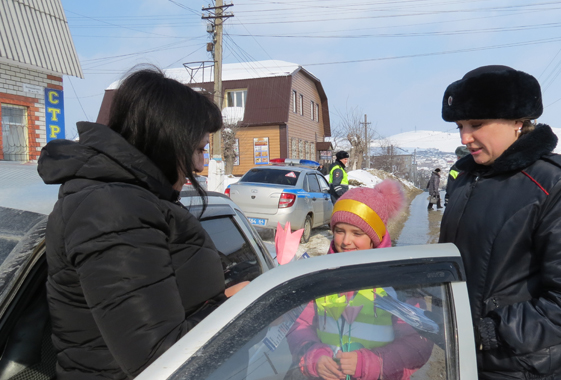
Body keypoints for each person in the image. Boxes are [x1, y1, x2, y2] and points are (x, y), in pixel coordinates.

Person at [38, 67, 246, 379]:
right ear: (169, 141)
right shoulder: (112, 210)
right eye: (199, 149)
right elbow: (157, 359)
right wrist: (237, 311)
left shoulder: (130, 202)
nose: (200, 165)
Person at [439, 65, 561, 379]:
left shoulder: (551, 185)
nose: (466, 137)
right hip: (467, 359)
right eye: (460, 126)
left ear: (518, 122)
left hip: (522, 367)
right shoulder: (464, 178)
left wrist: (493, 331)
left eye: (476, 124)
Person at [287, 180, 433, 380]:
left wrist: (373, 363)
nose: (346, 241)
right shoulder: (321, 276)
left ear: (376, 237)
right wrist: (314, 356)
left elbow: (418, 343)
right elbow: (299, 324)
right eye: (340, 231)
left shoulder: (396, 282)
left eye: (357, 233)